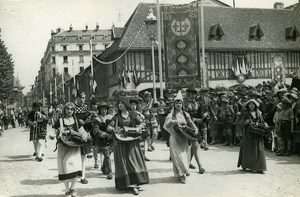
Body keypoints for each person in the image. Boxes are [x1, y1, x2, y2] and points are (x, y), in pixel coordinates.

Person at [107, 97, 149, 195]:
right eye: (119, 103)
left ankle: (135, 184)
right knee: (123, 162)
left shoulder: (133, 115)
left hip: (132, 141)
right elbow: (109, 127)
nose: (119, 105)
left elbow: (144, 122)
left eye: (122, 103)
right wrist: (112, 129)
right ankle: (125, 183)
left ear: (126, 104)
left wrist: (139, 127)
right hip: (121, 142)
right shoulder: (116, 117)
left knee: (133, 161)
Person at [164, 90, 199, 184]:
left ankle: (179, 173)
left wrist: (195, 129)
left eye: (180, 103)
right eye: (177, 103)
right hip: (175, 138)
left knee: (184, 155)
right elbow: (166, 126)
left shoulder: (185, 114)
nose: (178, 104)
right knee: (177, 156)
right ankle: (183, 173)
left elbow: (191, 123)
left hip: (184, 138)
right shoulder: (171, 115)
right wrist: (171, 122)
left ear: (182, 104)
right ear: (174, 104)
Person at [52, 102, 86, 197]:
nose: (69, 111)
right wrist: (54, 134)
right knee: (64, 166)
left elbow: (83, 131)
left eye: (71, 109)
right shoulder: (60, 121)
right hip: (63, 146)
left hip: (74, 146)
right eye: (68, 109)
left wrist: (84, 136)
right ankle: (67, 189)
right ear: (64, 110)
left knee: (75, 166)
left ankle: (73, 188)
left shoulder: (76, 120)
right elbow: (54, 130)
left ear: (74, 111)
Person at [237, 99, 268, 174]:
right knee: (248, 150)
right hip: (248, 134)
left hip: (257, 133)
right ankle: (246, 165)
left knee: (259, 150)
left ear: (255, 105)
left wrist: (265, 124)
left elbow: (262, 122)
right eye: (250, 104)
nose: (251, 105)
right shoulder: (245, 113)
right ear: (248, 105)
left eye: (253, 104)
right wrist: (246, 122)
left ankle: (260, 167)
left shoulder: (259, 113)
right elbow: (240, 124)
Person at [74, 91, 92, 184]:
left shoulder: (86, 108)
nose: (82, 100)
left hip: (83, 133)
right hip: (74, 134)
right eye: (81, 97)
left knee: (83, 155)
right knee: (74, 155)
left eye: (84, 98)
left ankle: (83, 176)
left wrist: (88, 121)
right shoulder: (72, 107)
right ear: (77, 97)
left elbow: (89, 122)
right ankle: (75, 175)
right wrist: (78, 121)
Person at [92, 101, 113, 179]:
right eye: (102, 109)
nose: (104, 111)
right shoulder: (97, 119)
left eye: (105, 109)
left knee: (108, 154)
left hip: (110, 139)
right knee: (107, 155)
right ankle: (110, 172)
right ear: (99, 110)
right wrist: (105, 134)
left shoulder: (110, 118)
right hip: (101, 140)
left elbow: (113, 126)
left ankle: (104, 168)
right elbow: (96, 130)